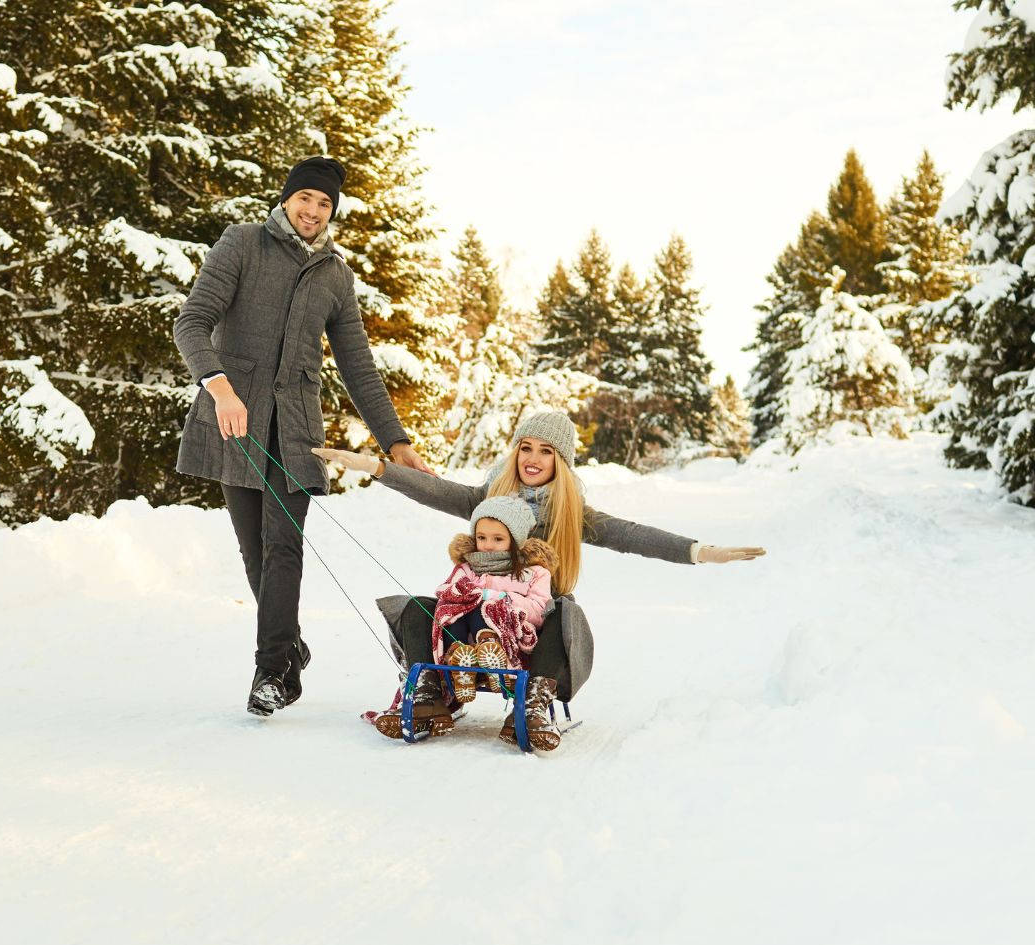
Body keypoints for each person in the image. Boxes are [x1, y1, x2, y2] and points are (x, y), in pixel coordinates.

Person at [314, 411, 766, 750]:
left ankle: (532, 701)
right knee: (415, 606)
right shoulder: (490, 497)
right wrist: (374, 467)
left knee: (565, 610)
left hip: (530, 625)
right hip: (475, 621)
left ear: (561, 460)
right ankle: (430, 691)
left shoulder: (570, 512)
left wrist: (699, 551)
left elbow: (632, 535)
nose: (532, 459)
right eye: (526, 447)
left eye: (546, 451)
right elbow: (434, 490)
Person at [172, 155, 432, 717]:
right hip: (234, 420)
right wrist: (220, 389)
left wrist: (395, 441)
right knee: (254, 551)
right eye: (305, 199)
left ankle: (272, 673)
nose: (313, 210)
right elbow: (191, 322)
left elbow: (359, 367)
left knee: (283, 545)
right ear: (286, 199)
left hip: (294, 430)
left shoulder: (335, 274)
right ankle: (287, 644)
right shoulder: (242, 243)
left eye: (324, 204)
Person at [365, 494, 559, 746]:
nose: (487, 545)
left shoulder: (533, 572)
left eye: (498, 539)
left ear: (516, 540)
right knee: (425, 606)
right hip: (458, 643)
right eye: (481, 537)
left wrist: (496, 597)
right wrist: (461, 594)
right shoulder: (467, 567)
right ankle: (433, 688)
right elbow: (445, 594)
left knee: (484, 605)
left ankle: (490, 649)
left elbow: (539, 609)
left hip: (509, 645)